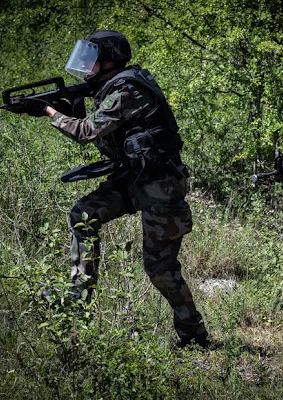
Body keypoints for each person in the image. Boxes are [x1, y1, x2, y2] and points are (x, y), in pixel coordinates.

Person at [12, 30, 209, 348]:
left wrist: (49, 111)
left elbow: (87, 131)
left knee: (160, 268)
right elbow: (101, 126)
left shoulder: (127, 88)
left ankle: (193, 334)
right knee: (82, 214)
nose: (86, 68)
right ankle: (78, 303)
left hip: (161, 187)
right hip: (134, 181)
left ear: (109, 61)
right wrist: (64, 108)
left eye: (91, 61)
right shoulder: (112, 88)